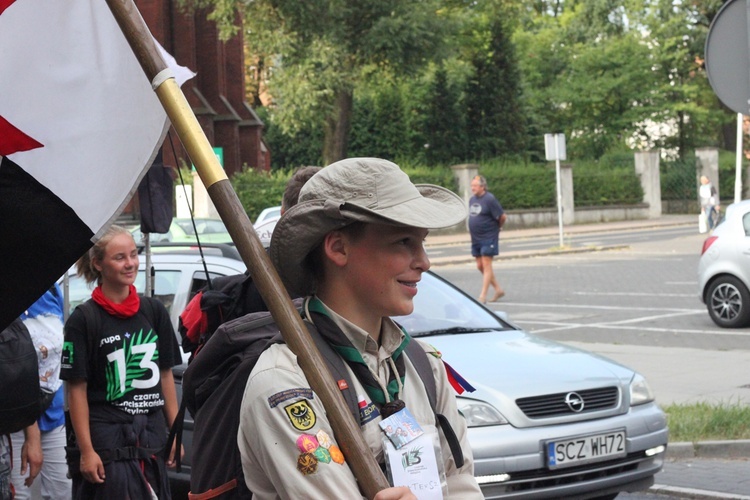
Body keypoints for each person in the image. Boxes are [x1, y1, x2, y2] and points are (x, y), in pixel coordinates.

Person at [238, 157, 483, 499]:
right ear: (338, 248)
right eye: (403, 242)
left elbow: (461, 486)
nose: (424, 262)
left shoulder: (423, 364)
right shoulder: (286, 382)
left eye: (422, 242)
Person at [60, 225, 181, 499]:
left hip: (151, 440)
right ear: (98, 264)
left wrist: (174, 434)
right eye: (119, 257)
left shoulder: (154, 311)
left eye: (133, 254)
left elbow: (165, 376)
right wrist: (87, 451)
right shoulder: (83, 320)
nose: (131, 264)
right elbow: (76, 391)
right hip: (107, 446)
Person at [10, 285, 72, 499]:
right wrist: (31, 432)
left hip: (53, 413)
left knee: (64, 492)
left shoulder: (53, 291)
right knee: (18, 495)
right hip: (14, 419)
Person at [468, 175, 507, 303]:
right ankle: (498, 289)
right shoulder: (472, 200)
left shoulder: (489, 199)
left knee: (486, 264)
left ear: (482, 187)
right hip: (476, 238)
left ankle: (482, 296)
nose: (472, 188)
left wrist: (498, 228)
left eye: (475, 186)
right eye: (472, 185)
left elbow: (502, 216)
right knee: (480, 266)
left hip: (488, 237)